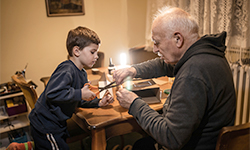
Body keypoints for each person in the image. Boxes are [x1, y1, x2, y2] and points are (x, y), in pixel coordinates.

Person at [113, 7, 236, 150]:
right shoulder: (208, 55)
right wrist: (134, 70)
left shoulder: (192, 73)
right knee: (142, 143)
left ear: (178, 39)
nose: (154, 49)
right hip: (210, 142)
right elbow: (165, 65)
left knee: (141, 146)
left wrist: (134, 103)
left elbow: (171, 138)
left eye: (157, 42)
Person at [29, 26, 114, 150]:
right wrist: (79, 93)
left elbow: (79, 100)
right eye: (92, 52)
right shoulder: (66, 69)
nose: (96, 56)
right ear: (77, 51)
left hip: (57, 124)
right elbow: (52, 93)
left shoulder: (82, 73)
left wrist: (99, 103)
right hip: (45, 125)